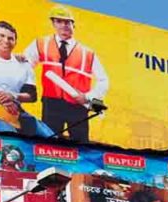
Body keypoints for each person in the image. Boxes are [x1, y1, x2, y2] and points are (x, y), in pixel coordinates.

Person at [21, 5, 109, 143]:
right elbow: (24, 66)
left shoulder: (88, 53)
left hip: (78, 106)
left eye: (67, 22)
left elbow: (104, 80)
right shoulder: (41, 43)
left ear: (74, 25)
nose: (63, 25)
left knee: (81, 145)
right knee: (49, 142)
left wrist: (87, 97)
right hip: (51, 103)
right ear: (53, 23)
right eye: (59, 21)